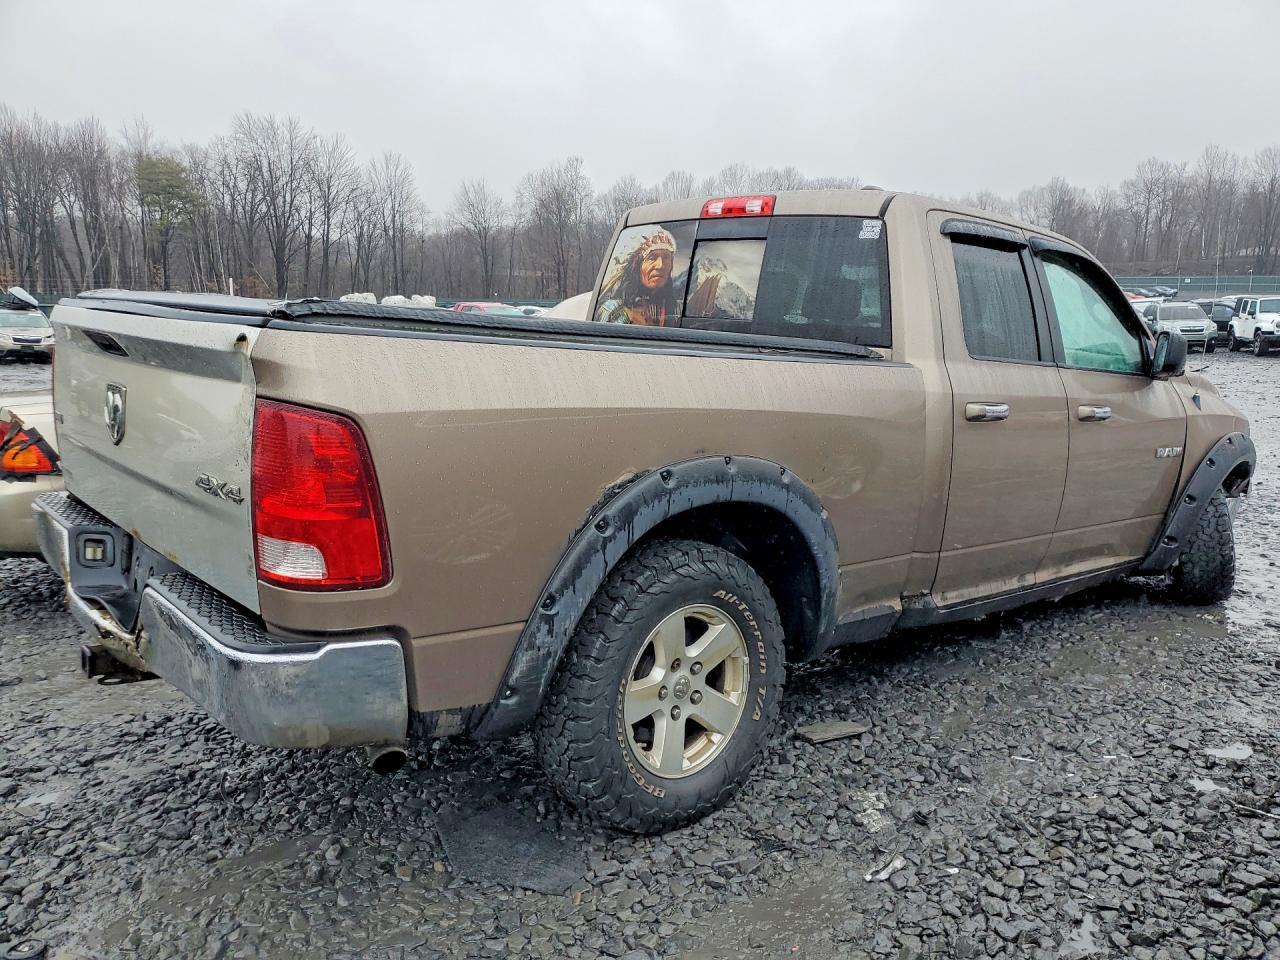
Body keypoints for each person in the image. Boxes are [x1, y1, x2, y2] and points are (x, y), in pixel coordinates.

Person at [595, 227, 681, 326]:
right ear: (636, 266)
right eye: (652, 258)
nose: (661, 265)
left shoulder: (678, 309)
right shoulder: (613, 310)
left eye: (666, 257)